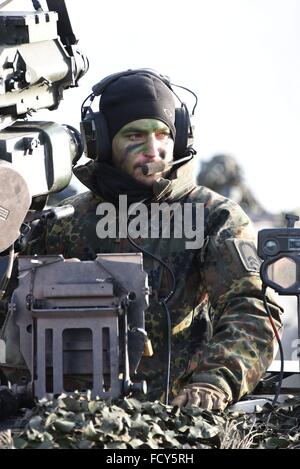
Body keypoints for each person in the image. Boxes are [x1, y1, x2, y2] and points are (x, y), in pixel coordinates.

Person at [2, 70, 283, 411]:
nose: (153, 150)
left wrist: (214, 383)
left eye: (163, 134)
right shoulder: (62, 221)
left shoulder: (214, 216)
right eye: (134, 135)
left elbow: (252, 309)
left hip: (174, 414)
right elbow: (13, 311)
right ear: (102, 142)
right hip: (63, 417)